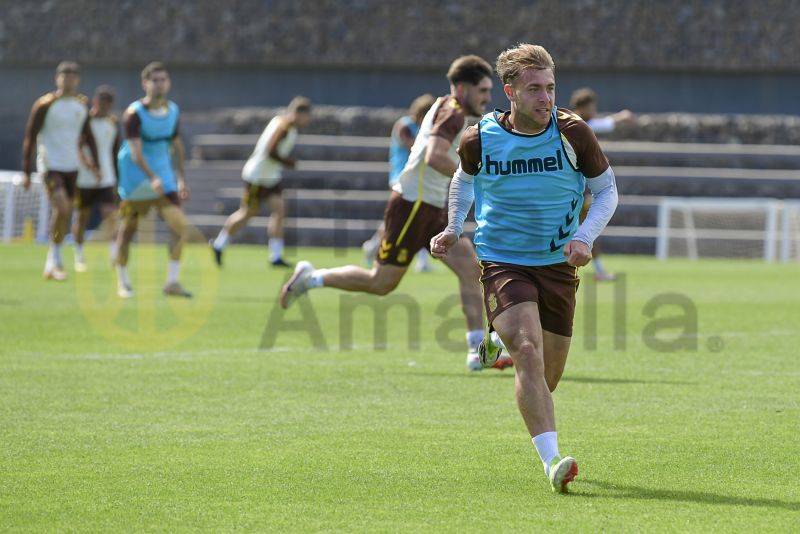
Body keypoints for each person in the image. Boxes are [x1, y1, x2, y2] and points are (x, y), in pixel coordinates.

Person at [430, 44, 618, 492]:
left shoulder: (574, 133)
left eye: (551, 88)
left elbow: (607, 191)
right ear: (510, 91)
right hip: (503, 261)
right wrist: (455, 227)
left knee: (546, 378)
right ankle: (553, 462)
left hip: (557, 267)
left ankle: (496, 339)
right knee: (528, 353)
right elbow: (464, 178)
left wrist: (584, 237)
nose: (545, 98)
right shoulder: (479, 138)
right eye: (534, 89)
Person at [281, 55, 511, 371]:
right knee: (381, 283)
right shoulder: (454, 113)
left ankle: (476, 351)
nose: (487, 97)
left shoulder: (449, 107)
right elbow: (434, 157)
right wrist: (478, 178)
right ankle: (311, 278)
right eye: (482, 90)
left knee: (470, 269)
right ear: (462, 89)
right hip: (413, 207)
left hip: (430, 207)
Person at [115, 62, 190, 299]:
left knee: (180, 227)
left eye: (163, 79)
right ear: (145, 83)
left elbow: (176, 145)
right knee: (128, 231)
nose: (160, 84)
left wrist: (181, 178)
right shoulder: (133, 115)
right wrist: (152, 178)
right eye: (155, 80)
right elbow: (136, 153)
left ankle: (172, 282)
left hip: (164, 177)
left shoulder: (174, 111)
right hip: (136, 178)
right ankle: (123, 282)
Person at [211, 96, 312, 268]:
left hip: (270, 177)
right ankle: (219, 244)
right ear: (298, 114)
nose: (306, 120)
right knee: (247, 213)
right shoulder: (285, 127)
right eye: (305, 116)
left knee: (280, 210)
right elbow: (270, 150)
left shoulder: (282, 123)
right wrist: (288, 162)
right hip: (257, 177)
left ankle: (276, 256)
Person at [21, 61, 100, 281]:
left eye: (73, 76)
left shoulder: (81, 105)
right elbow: (30, 137)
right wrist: (26, 171)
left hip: (72, 167)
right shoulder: (45, 105)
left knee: (64, 212)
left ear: (78, 80)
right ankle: (53, 259)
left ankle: (53, 260)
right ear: (57, 79)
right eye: (65, 76)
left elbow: (89, 136)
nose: (69, 80)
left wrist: (96, 165)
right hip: (50, 165)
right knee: (63, 207)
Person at [362, 93, 436, 271]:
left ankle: (372, 247)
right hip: (401, 176)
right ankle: (420, 260)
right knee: (408, 217)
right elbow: (413, 147)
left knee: (411, 216)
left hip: (417, 178)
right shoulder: (404, 125)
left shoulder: (422, 128)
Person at [570, 88, 634, 281]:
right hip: (570, 192)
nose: (594, 109)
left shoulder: (576, 123)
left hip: (577, 190)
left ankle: (598, 270)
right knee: (585, 229)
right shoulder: (576, 125)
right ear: (581, 107)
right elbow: (603, 125)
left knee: (586, 229)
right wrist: (621, 117)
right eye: (591, 106)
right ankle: (596, 271)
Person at [73, 85, 121, 272]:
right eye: (102, 104)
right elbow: (77, 149)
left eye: (108, 105)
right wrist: (91, 167)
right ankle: (79, 254)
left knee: (110, 215)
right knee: (82, 217)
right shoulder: (85, 123)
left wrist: (115, 177)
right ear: (95, 102)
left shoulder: (112, 123)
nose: (105, 108)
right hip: (84, 179)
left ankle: (114, 255)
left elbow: (113, 152)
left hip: (106, 179)